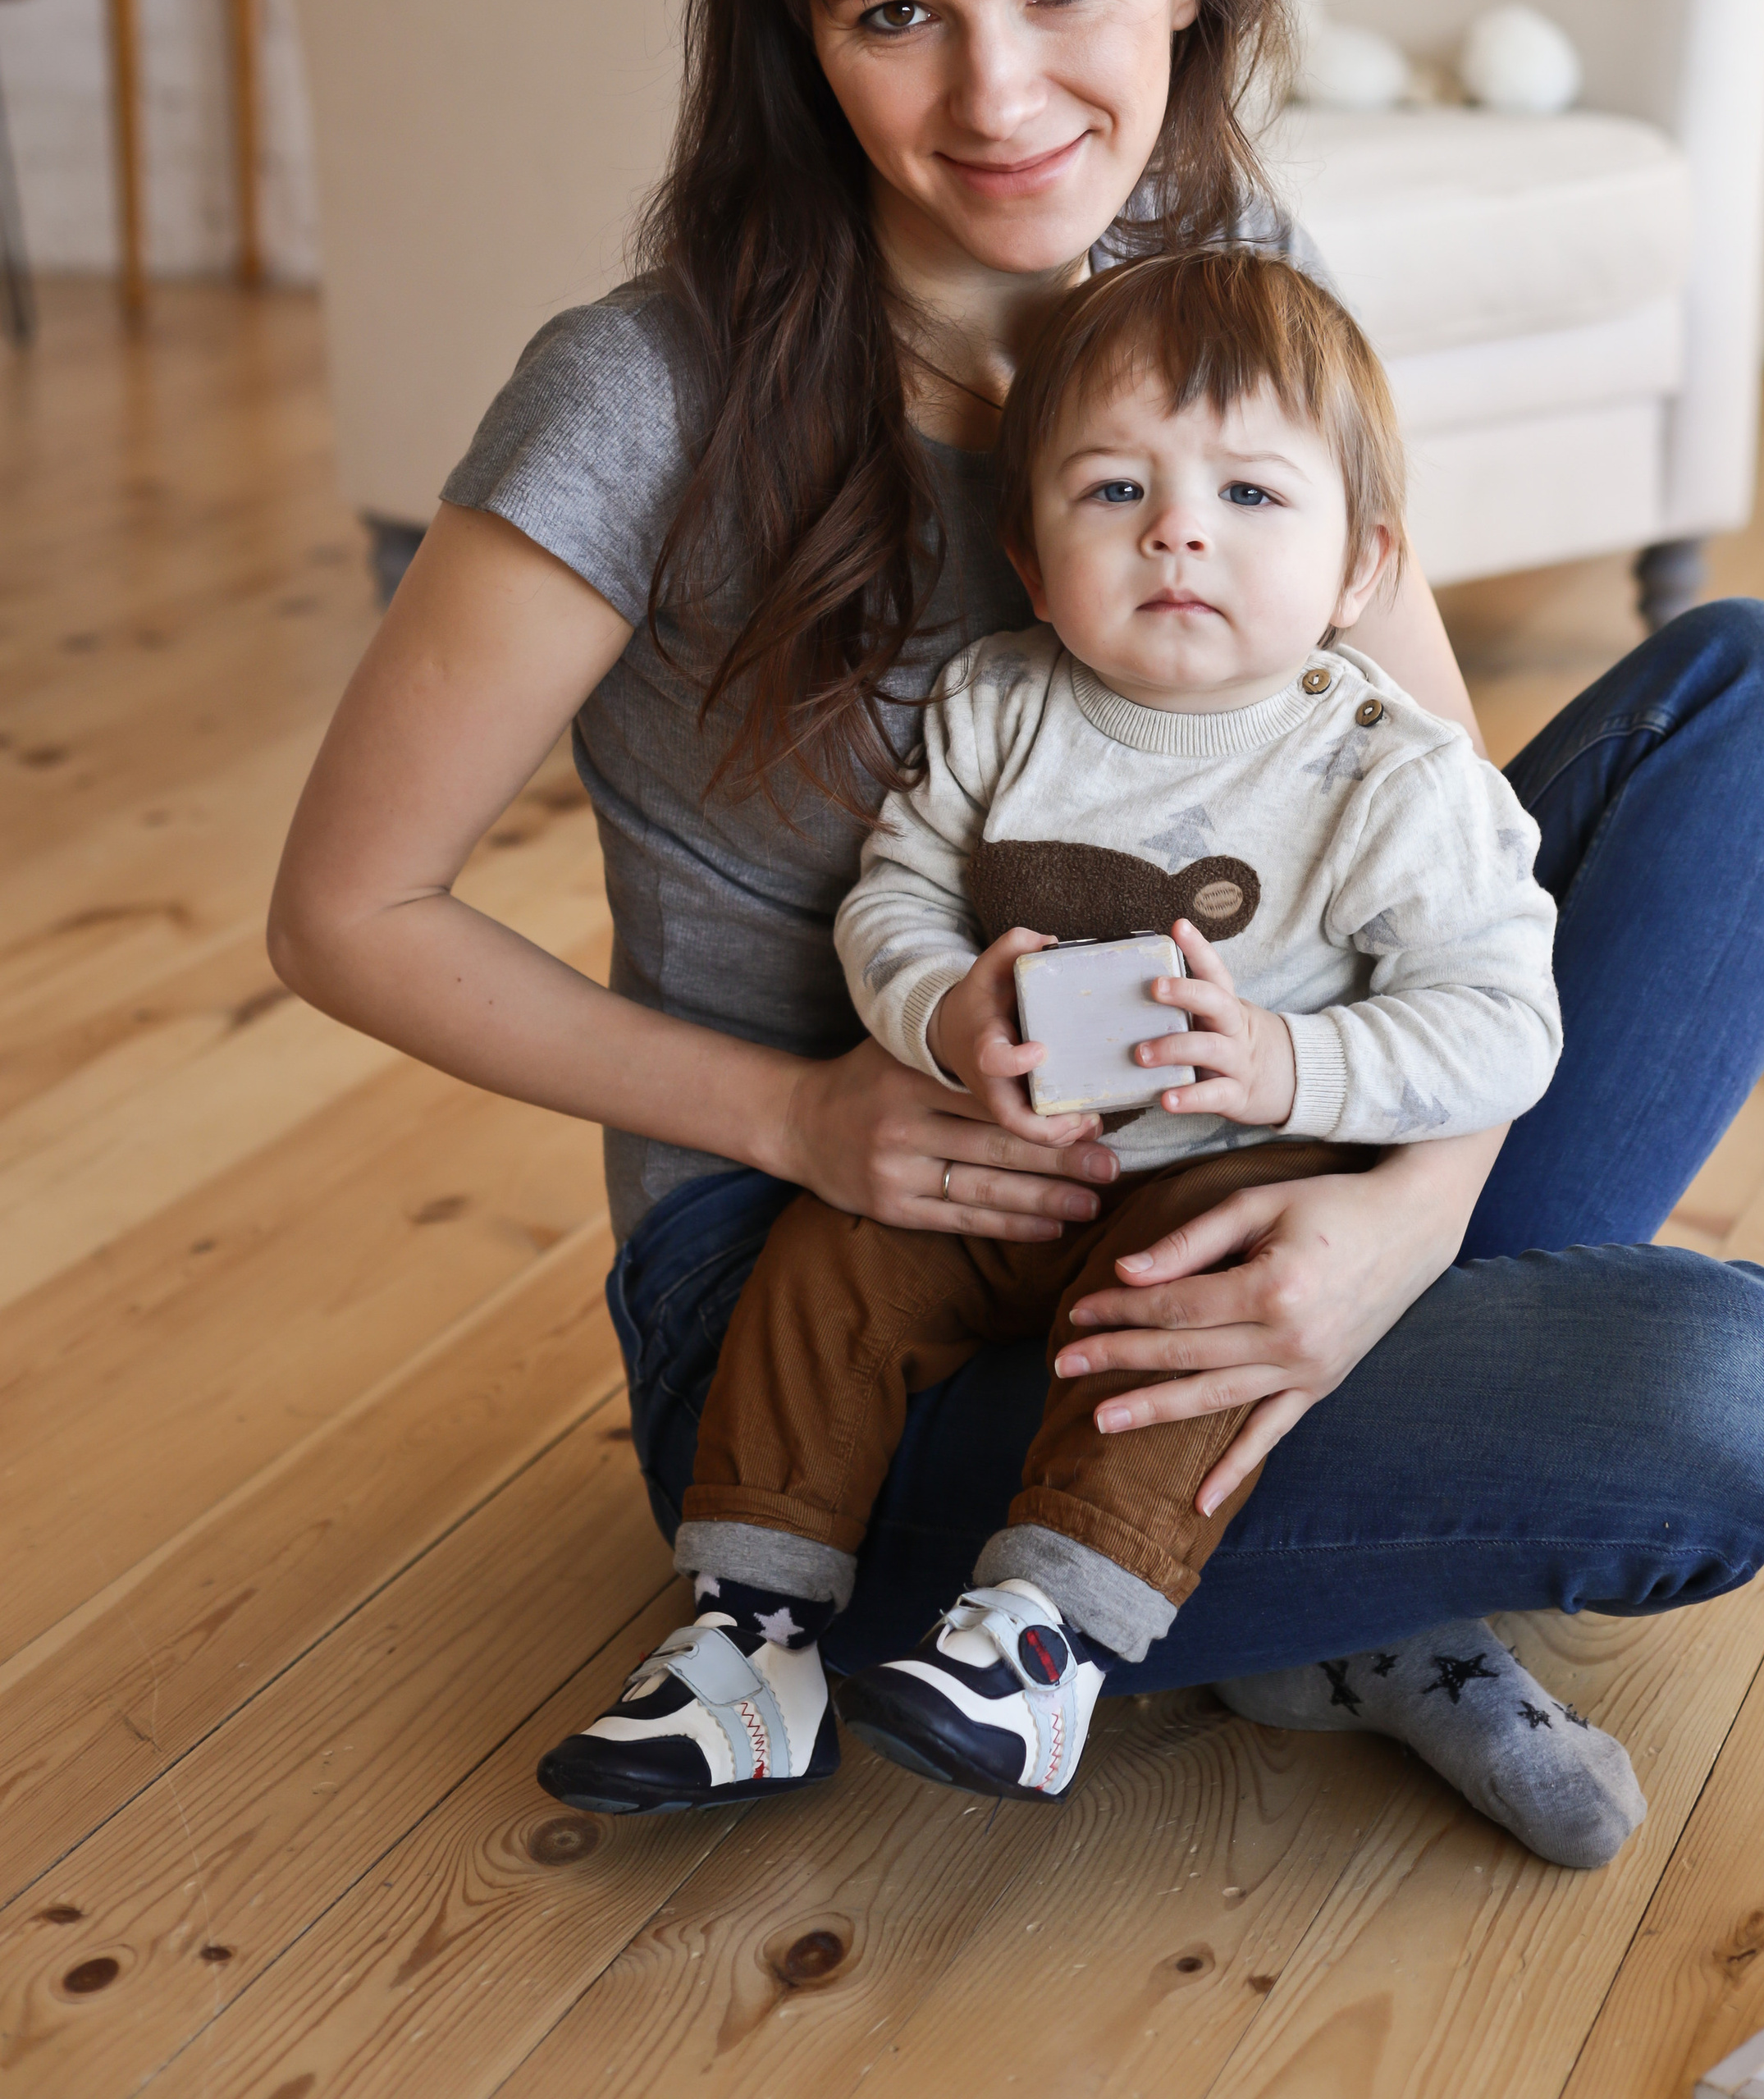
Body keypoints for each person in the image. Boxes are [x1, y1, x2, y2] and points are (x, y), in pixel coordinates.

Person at [268, 0, 1764, 1878]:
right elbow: (346, 910)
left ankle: (1292, 1535)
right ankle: (1243, 1579)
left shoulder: (1224, 273)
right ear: (801, 42)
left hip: (1257, 1164)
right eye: (897, 12)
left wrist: (1401, 1223)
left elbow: (1438, 807)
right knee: (1734, 1392)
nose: (1000, 95)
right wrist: (809, 1113)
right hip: (845, 1333)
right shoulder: (638, 401)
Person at [537, 249, 1583, 1823]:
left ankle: (1046, 1640)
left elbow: (1507, 1023)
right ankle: (748, 1642)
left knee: (1177, 1338)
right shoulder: (1000, 701)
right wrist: (942, 1014)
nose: (1177, 528)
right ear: (1029, 563)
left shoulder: (1390, 773)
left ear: (1363, 566)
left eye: (1248, 496)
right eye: (1112, 492)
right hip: (989, 1159)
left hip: (1225, 1172)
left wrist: (1293, 1066)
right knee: (828, 1266)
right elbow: (889, 904)